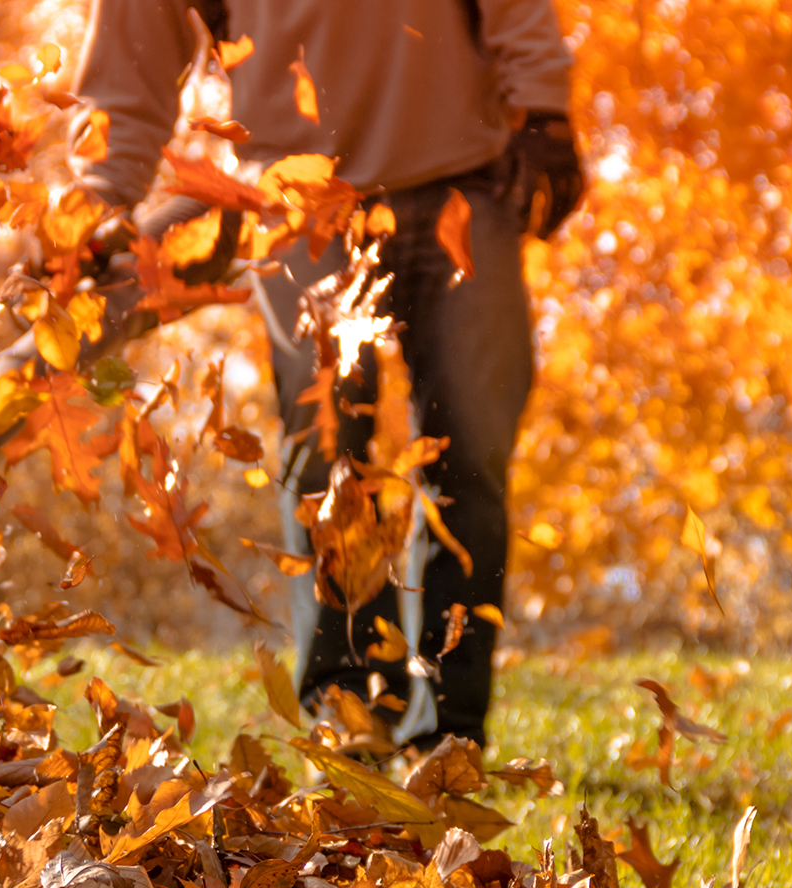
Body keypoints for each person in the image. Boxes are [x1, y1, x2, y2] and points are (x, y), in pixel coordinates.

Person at [69, 0, 583, 750]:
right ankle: (348, 712)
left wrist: (543, 109)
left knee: (471, 456)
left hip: (465, 184)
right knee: (329, 455)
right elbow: (130, 59)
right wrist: (97, 203)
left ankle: (450, 735)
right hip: (295, 201)